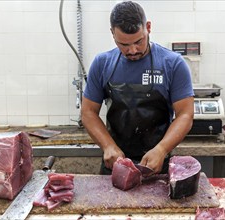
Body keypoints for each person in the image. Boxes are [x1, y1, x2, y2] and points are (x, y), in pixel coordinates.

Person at [81, 1, 194, 175]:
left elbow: (185, 114)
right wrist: (108, 146)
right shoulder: (102, 64)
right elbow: (88, 112)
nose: (132, 50)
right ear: (112, 34)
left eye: (138, 42)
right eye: (124, 45)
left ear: (148, 27)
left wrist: (162, 149)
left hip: (158, 165)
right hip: (115, 165)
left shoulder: (173, 64)